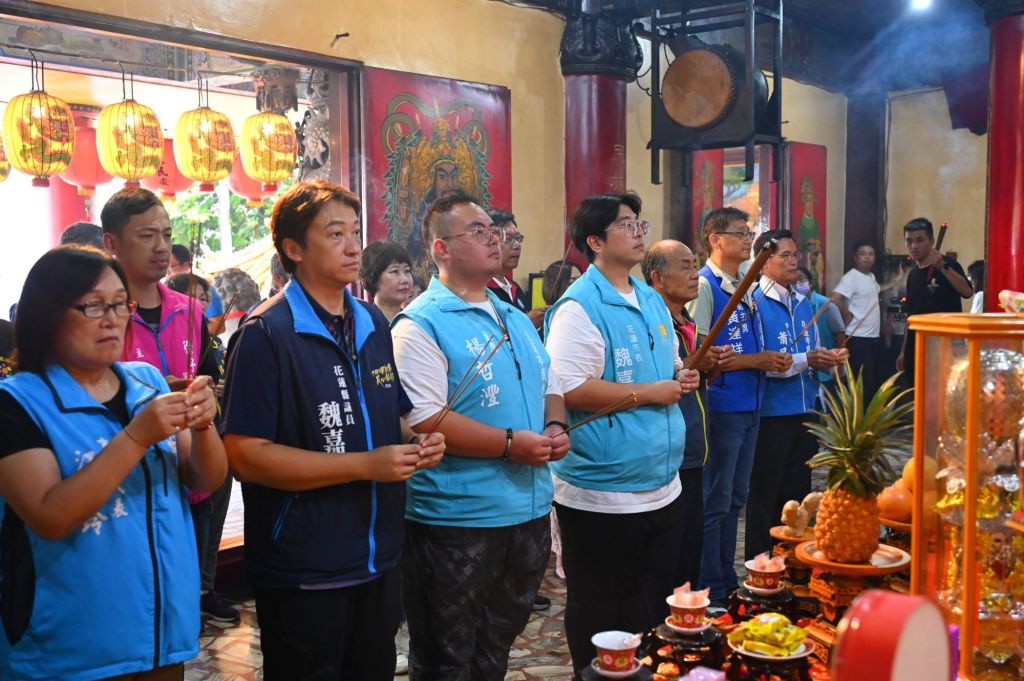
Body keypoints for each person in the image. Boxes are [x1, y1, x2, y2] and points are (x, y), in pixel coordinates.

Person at [221, 180, 445, 681]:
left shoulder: (371, 322)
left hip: (378, 554)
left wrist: (415, 441)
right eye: (335, 233)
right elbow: (245, 454)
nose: (352, 246)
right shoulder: (266, 334)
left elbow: (394, 415)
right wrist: (364, 465)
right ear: (294, 249)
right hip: (305, 565)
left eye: (356, 232)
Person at [0, 245, 226, 680]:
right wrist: (137, 436)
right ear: (47, 313)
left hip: (162, 639)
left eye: (121, 304)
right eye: (93, 306)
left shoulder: (147, 382)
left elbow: (205, 478)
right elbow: (50, 515)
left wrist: (202, 425)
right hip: (68, 650)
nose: (113, 318)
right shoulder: (17, 403)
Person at [391, 192, 568, 681]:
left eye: (496, 231)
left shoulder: (513, 315)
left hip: (527, 510)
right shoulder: (421, 323)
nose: (495, 239)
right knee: (446, 655)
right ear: (441, 249)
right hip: (457, 519)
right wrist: (511, 444)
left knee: (496, 647)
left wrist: (555, 426)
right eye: (478, 231)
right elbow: (425, 417)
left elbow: (549, 382)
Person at [544, 193, 700, 673]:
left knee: (646, 598)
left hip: (660, 480)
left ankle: (637, 671)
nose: (638, 233)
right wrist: (652, 392)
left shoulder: (649, 297)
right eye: (626, 225)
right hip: (602, 490)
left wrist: (681, 376)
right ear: (595, 241)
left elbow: (667, 363)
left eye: (639, 223)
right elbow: (568, 386)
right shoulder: (580, 307)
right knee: (599, 600)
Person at [686, 207, 790, 606]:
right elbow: (698, 354)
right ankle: (709, 584)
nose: (749, 240)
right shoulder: (706, 285)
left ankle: (727, 579)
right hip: (722, 405)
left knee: (734, 498)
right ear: (715, 239)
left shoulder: (745, 283)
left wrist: (764, 360)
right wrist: (757, 360)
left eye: (749, 233)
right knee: (715, 500)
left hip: (751, 402)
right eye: (740, 234)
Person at [744, 231, 845, 560]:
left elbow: (813, 352)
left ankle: (791, 563)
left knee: (797, 494)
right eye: (784, 255)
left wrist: (828, 358)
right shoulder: (753, 302)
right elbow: (765, 361)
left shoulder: (803, 303)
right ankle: (760, 563)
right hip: (771, 411)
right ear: (763, 261)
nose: (793, 261)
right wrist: (808, 360)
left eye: (795, 254)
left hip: (805, 409)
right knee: (765, 493)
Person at [643, 239, 729, 590]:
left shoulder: (686, 318)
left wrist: (713, 365)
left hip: (695, 448)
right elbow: (657, 380)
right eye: (685, 266)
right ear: (657, 278)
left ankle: (687, 614)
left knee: (690, 548)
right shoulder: (652, 322)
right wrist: (695, 363)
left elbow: (697, 381)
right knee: (668, 556)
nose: (695, 274)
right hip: (669, 454)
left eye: (695, 265)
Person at [165, 272, 238, 623]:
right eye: (196, 297)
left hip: (214, 435)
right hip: (179, 442)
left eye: (206, 298)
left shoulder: (215, 344)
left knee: (212, 520)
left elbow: (217, 379)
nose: (204, 304)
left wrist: (218, 389)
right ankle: (186, 598)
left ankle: (206, 589)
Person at [100, 189, 219, 387]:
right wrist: (158, 393)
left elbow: (208, 375)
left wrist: (203, 391)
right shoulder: (98, 317)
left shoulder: (190, 309)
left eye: (167, 235)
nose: (162, 246)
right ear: (111, 243)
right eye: (147, 235)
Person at [896, 218, 973, 380]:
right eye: (909, 241)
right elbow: (910, 316)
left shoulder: (948, 264)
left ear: (931, 241)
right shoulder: (913, 275)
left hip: (944, 344)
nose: (914, 246)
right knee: (915, 390)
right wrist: (903, 351)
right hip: (916, 345)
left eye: (920, 240)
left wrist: (942, 266)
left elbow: (967, 292)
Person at [832, 242, 887, 401]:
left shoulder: (871, 277)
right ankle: (857, 415)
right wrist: (847, 317)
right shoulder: (851, 277)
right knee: (860, 383)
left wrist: (897, 280)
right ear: (856, 258)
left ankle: (868, 414)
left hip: (873, 337)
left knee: (871, 381)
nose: (867, 257)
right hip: (858, 338)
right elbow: (836, 297)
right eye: (863, 254)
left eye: (871, 254)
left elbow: (878, 289)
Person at [486, 209, 545, 329]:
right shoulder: (482, 291)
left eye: (518, 238)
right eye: (508, 239)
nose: (517, 246)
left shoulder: (514, 288)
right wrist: (527, 323)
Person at [795, 267, 846, 387]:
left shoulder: (826, 305)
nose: (797, 284)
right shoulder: (793, 305)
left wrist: (839, 367)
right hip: (802, 369)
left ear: (811, 282)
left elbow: (840, 334)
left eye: (801, 279)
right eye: (793, 281)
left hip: (827, 370)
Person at [169, 243, 225, 336]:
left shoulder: (203, 288)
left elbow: (219, 326)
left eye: (170, 267)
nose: (166, 272)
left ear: (186, 265)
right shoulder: (163, 292)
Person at [360, 240, 413, 322]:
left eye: (407, 271)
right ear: (373, 278)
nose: (405, 279)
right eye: (395, 271)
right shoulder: (364, 323)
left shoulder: (414, 322)